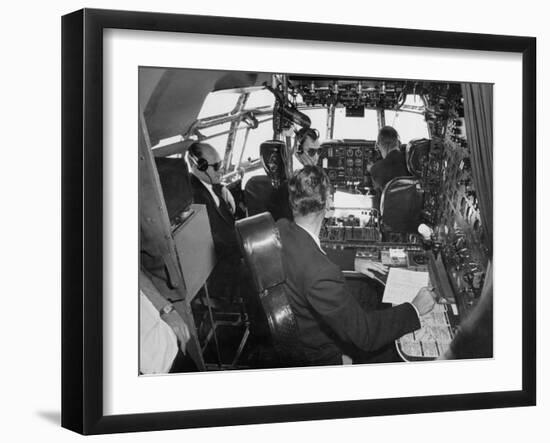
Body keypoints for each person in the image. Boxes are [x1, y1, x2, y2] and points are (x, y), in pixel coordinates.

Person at [276, 165, 436, 366]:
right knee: (390, 353)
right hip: (320, 351)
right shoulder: (321, 274)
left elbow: (310, 249)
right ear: (328, 204)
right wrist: (414, 309)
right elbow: (365, 335)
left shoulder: (282, 228)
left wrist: (353, 261)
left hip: (298, 316)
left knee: (367, 292)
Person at [187, 142, 241, 299]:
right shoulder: (193, 197)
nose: (221, 170)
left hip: (231, 252)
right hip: (220, 273)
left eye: (221, 164)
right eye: (216, 166)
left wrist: (222, 189)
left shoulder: (212, 186)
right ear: (198, 166)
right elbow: (213, 239)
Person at [370, 125, 409, 191]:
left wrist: (371, 168)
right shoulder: (412, 164)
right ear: (398, 143)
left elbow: (377, 197)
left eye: (378, 148)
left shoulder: (376, 169)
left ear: (381, 145)